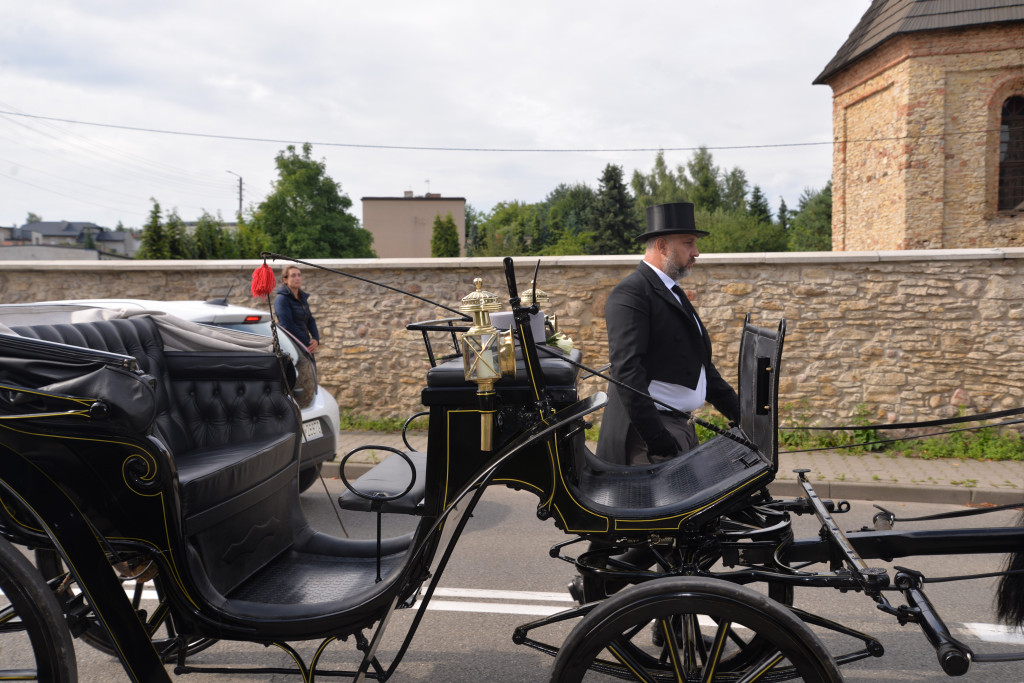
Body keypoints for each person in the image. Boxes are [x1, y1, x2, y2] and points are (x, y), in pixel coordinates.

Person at [596, 201, 739, 466]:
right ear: (662, 246)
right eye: (688, 243)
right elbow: (627, 372)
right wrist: (657, 439)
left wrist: (739, 412)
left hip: (679, 428)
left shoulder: (671, 291)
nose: (696, 252)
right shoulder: (631, 293)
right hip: (649, 442)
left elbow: (700, 365)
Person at [274, 266, 320, 355]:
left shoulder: (302, 298)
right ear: (285, 280)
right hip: (291, 346)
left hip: (304, 345)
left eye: (299, 275)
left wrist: (315, 339)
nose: (297, 278)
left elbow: (310, 319)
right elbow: (287, 325)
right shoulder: (281, 299)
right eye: (293, 276)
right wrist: (307, 342)